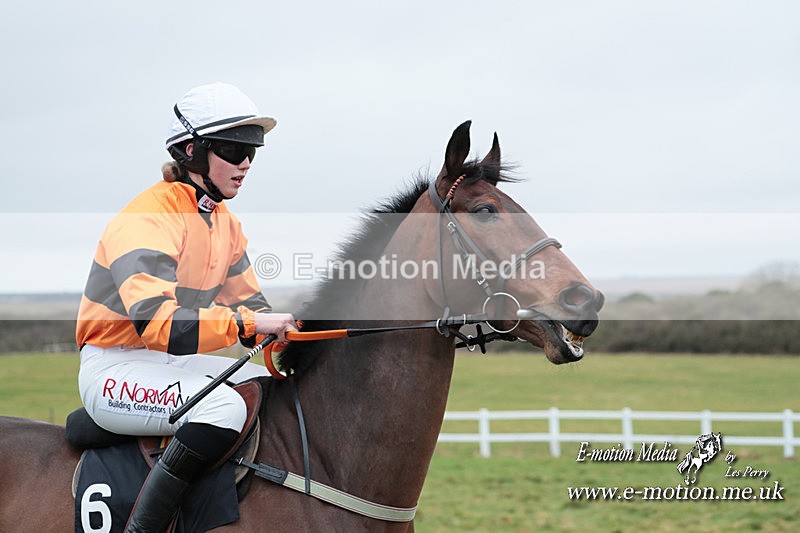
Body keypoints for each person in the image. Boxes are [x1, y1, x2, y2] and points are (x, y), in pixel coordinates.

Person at [75, 82, 296, 532]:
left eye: (253, 150)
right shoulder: (148, 217)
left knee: (264, 386)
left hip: (166, 367)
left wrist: (295, 332)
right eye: (235, 149)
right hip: (113, 369)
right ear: (193, 152)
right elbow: (162, 325)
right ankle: (145, 526)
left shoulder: (225, 223)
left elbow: (250, 309)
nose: (247, 162)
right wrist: (251, 323)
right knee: (225, 409)